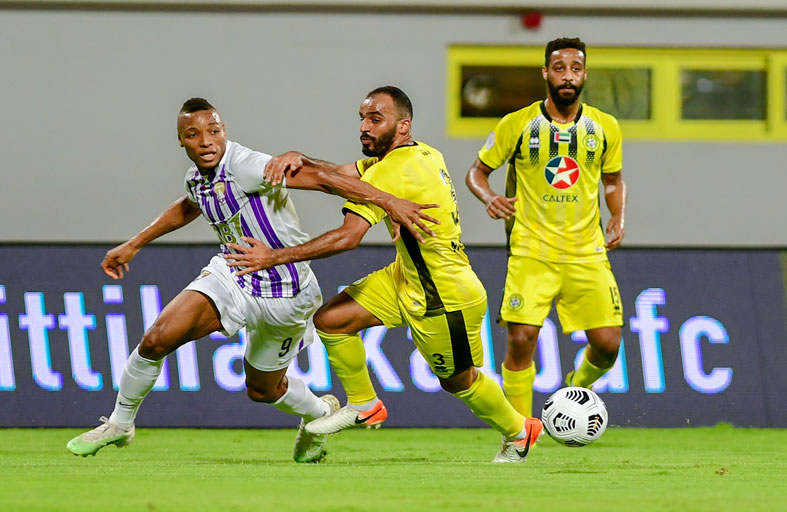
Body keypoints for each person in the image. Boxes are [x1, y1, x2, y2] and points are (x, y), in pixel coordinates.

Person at [66, 97, 438, 463]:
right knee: (157, 339)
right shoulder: (197, 178)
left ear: (224, 131)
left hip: (287, 292)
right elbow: (190, 204)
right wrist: (135, 243)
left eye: (214, 131)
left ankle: (318, 412)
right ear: (181, 140)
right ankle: (120, 423)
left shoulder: (248, 166)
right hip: (234, 275)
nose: (206, 141)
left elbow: (325, 180)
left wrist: (388, 201)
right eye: (194, 135)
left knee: (262, 390)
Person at [224, 86, 544, 463]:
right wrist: (300, 159)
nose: (365, 127)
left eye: (376, 120)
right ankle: (364, 403)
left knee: (459, 381)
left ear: (403, 125)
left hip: (442, 295)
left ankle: (520, 432)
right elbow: (339, 176)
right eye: (363, 119)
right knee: (332, 321)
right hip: (404, 276)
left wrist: (273, 257)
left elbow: (348, 236)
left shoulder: (391, 171)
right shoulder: (423, 153)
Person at [465, 37, 626, 418]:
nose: (567, 76)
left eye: (575, 68)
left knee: (608, 345)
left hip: (586, 251)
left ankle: (577, 386)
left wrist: (618, 215)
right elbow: (477, 172)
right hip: (531, 250)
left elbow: (613, 180)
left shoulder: (605, 126)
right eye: (559, 68)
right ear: (545, 73)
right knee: (521, 339)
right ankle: (520, 434)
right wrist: (489, 197)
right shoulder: (517, 124)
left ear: (584, 74)